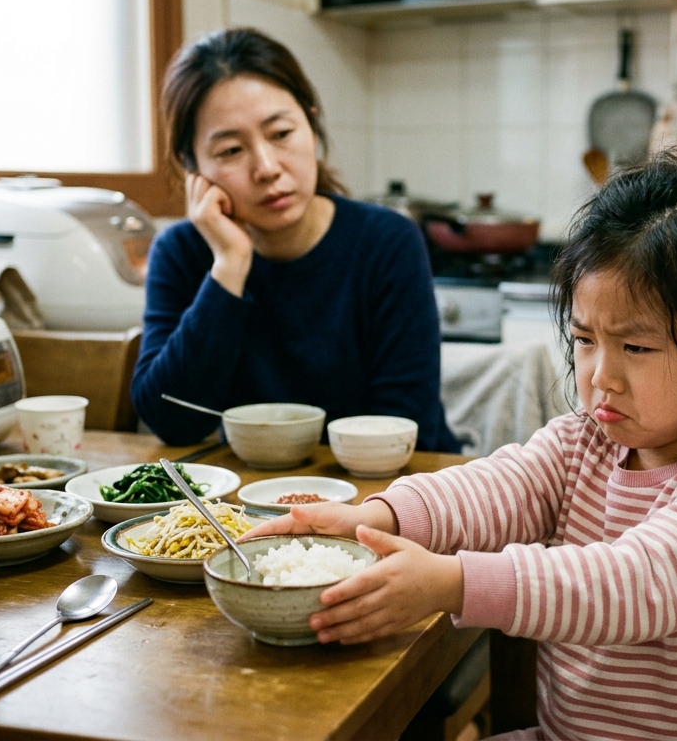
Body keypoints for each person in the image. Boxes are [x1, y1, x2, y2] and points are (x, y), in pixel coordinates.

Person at [245, 151, 677, 740]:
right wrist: (376, 517)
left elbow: (623, 585)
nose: (601, 376)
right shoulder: (587, 440)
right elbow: (496, 487)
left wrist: (451, 582)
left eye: (636, 348)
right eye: (584, 340)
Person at [132, 28, 458, 452]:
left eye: (281, 133)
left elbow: (406, 428)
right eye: (231, 150)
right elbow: (171, 422)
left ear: (312, 125)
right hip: (252, 486)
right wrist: (228, 267)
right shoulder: (181, 252)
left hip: (391, 484)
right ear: (192, 166)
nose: (267, 167)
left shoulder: (386, 241)